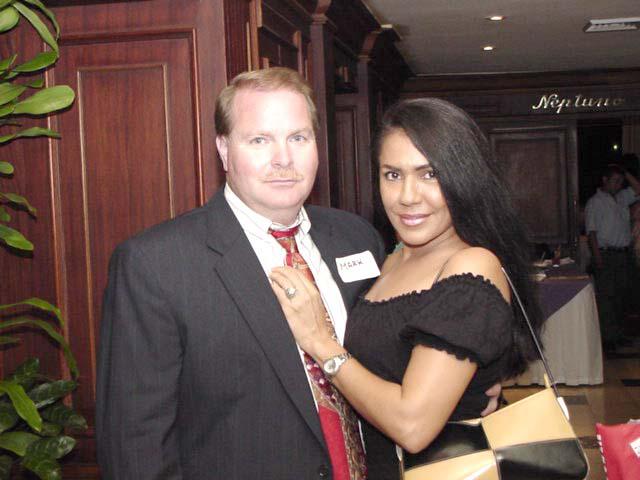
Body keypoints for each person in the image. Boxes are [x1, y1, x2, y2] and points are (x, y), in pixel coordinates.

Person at [96, 67, 386, 479]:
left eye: (298, 138)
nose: (283, 158)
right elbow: (135, 447)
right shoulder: (155, 264)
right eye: (259, 140)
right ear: (224, 150)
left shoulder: (357, 238)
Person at [270, 98, 543, 479]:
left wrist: (321, 343)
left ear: (463, 178)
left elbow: (412, 426)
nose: (408, 196)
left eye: (429, 174)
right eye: (393, 175)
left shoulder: (471, 265)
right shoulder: (391, 257)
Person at [584, 164, 640, 350]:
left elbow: (638, 189)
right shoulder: (595, 202)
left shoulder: (622, 198)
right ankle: (607, 338)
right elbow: (591, 232)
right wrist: (597, 257)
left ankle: (618, 334)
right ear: (605, 180)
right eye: (615, 180)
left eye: (620, 181)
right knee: (607, 297)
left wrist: (625, 172)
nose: (618, 184)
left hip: (623, 254)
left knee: (621, 296)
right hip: (606, 254)